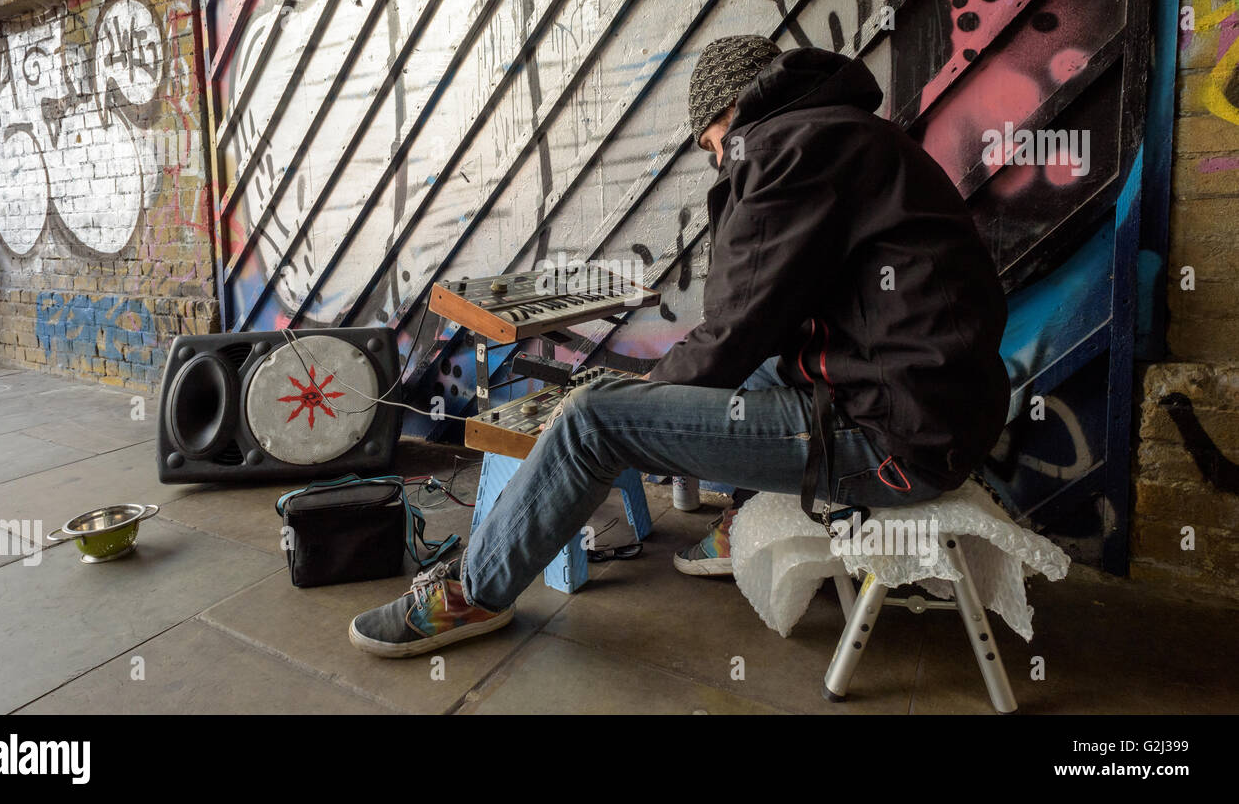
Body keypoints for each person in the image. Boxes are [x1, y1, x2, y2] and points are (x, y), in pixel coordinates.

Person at [348, 35, 1010, 657]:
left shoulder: (784, 147)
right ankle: (739, 521)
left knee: (590, 422)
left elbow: (733, 323)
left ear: (733, 109)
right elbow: (762, 322)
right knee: (735, 377)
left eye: (712, 145)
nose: (718, 160)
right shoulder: (847, 133)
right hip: (933, 412)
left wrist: (631, 398)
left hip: (891, 440)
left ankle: (475, 591)